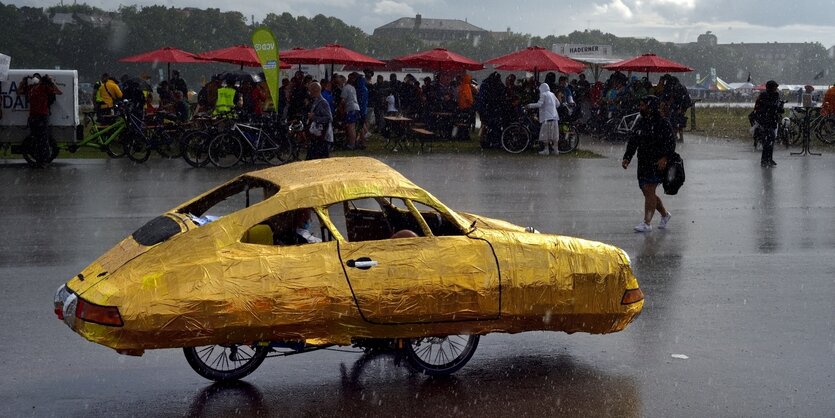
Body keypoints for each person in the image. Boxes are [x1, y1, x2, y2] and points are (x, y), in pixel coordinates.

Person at [621, 95, 675, 232]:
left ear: (651, 107)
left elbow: (671, 143)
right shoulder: (641, 122)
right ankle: (664, 214)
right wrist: (627, 157)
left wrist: (665, 158)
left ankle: (647, 223)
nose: (640, 108)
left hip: (657, 163)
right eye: (640, 105)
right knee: (647, 192)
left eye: (643, 105)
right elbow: (633, 140)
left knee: (650, 190)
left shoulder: (663, 123)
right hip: (643, 161)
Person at [19, 73, 62, 165]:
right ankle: (39, 159)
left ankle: (44, 160)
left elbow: (59, 92)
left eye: (37, 77)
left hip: (42, 116)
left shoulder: (44, 87)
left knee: (43, 139)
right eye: (34, 77)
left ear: (40, 80)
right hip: (33, 117)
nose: (35, 79)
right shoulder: (30, 88)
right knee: (35, 139)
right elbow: (19, 92)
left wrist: (52, 82)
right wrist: (22, 82)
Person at [753, 80, 784, 167]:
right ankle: (764, 160)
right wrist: (775, 106)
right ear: (770, 87)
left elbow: (776, 106)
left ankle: (769, 159)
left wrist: (779, 107)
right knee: (768, 140)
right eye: (775, 87)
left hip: (772, 119)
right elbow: (767, 106)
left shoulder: (775, 95)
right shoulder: (764, 95)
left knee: (771, 140)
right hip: (765, 120)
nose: (776, 89)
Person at [527, 83, 560, 155]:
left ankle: (546, 150)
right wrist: (551, 107)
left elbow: (539, 104)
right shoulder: (552, 94)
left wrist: (529, 105)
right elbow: (558, 104)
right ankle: (556, 150)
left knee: (545, 134)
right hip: (554, 117)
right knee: (554, 134)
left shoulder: (543, 94)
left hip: (547, 117)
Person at [306, 81, 333, 160]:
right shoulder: (315, 101)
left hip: (321, 135)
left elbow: (329, 118)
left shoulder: (323, 103)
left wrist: (314, 117)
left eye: (310, 90)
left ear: (315, 90)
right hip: (316, 136)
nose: (309, 92)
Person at [340, 73, 361, 149]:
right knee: (354, 127)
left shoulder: (346, 88)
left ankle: (351, 144)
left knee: (350, 127)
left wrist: (341, 108)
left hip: (350, 108)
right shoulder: (353, 88)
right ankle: (354, 142)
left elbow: (343, 100)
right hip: (356, 108)